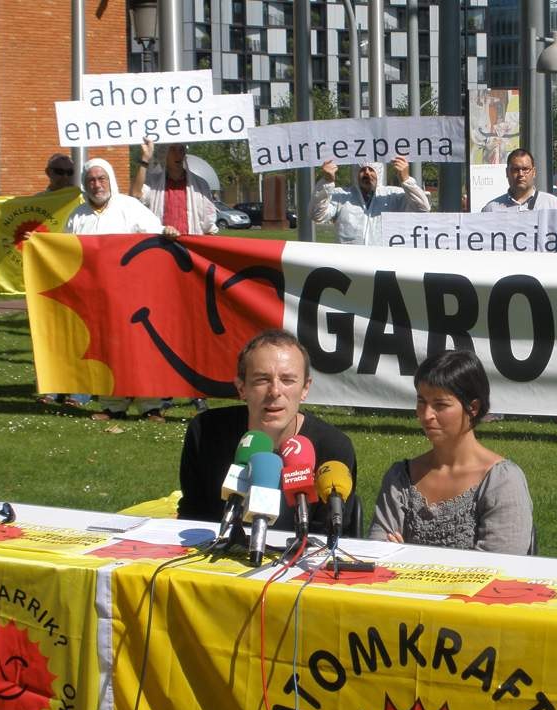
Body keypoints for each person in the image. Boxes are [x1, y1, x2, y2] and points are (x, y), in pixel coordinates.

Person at [178, 329, 359, 536]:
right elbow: (192, 515)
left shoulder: (334, 448)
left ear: (305, 388)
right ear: (241, 388)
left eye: (288, 380)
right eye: (262, 379)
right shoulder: (205, 432)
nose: (274, 391)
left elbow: (330, 536)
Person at [368, 350, 534, 554]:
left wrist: (407, 556)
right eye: (422, 402)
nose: (427, 415)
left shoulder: (502, 481)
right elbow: (378, 554)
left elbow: (498, 567)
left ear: (473, 407)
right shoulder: (400, 478)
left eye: (440, 405)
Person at [65, 158, 179, 422]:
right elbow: (64, 251)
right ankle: (111, 405)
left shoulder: (129, 207)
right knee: (106, 350)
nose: (97, 184)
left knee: (139, 349)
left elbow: (155, 231)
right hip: (97, 297)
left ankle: (150, 405)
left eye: (101, 178)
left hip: (133, 295)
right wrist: (37, 244)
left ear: (111, 180)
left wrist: (167, 231)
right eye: (91, 179)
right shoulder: (77, 216)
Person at [482, 148, 557, 423]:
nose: (520, 174)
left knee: (554, 350)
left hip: (545, 292)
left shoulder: (554, 206)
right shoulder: (492, 209)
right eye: (515, 169)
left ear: (534, 172)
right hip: (504, 291)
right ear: (507, 173)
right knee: (499, 349)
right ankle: (496, 405)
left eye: (525, 169)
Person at [131, 137, 217, 412]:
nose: (179, 154)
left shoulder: (200, 186)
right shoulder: (154, 182)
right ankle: (166, 388)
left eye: (182, 149)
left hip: (191, 264)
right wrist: (144, 159)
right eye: (173, 150)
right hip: (160, 263)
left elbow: (210, 226)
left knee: (192, 328)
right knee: (163, 327)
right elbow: (134, 197)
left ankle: (195, 389)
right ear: (165, 154)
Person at [36, 153, 89, 410]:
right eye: (59, 171)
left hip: (79, 276)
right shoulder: (36, 203)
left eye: (70, 173)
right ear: (48, 172)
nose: (65, 177)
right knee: (51, 337)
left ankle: (79, 393)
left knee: (81, 335)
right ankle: (51, 387)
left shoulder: (81, 200)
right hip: (48, 278)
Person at [309, 155, 430, 245]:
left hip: (383, 267)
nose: (367, 173)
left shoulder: (393, 195)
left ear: (379, 172)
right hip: (348, 267)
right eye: (362, 169)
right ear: (356, 173)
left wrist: (406, 180)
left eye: (371, 169)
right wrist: (326, 182)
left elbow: (423, 209)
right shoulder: (341, 196)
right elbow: (317, 215)